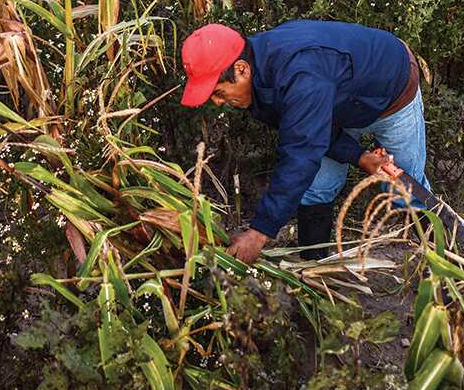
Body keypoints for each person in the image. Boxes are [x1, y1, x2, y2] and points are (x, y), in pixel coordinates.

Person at [179, 19, 432, 264]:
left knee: (403, 188)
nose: (217, 102)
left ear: (241, 69)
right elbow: (309, 130)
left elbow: (302, 154)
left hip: (392, 92)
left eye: (219, 92)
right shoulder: (262, 81)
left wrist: (258, 234)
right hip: (336, 101)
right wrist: (360, 156)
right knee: (317, 187)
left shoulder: (299, 76)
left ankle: (443, 259)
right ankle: (314, 269)